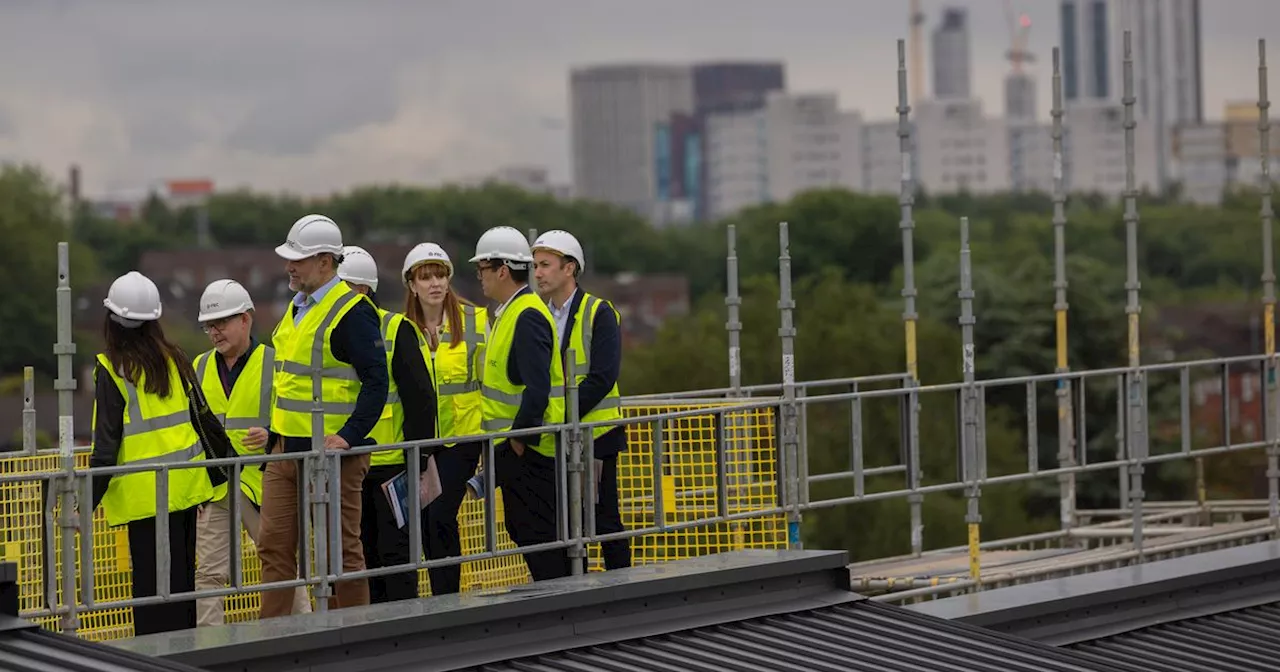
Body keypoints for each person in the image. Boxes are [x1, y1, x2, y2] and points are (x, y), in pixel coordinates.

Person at [258, 214, 388, 618]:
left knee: (340, 553)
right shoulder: (297, 308)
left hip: (334, 456)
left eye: (298, 258)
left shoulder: (352, 310)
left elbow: (376, 381)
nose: (289, 266)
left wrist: (349, 435)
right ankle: (273, 641)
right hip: (285, 453)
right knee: (274, 545)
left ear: (326, 262)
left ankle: (351, 638)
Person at [88, 271, 215, 635]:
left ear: (112, 321)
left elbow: (105, 448)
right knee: (181, 588)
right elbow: (201, 422)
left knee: (150, 595)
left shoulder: (113, 369)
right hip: (187, 491)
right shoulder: (176, 359)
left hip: (146, 500)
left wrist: (83, 501)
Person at [191, 279, 312, 625]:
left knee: (280, 565)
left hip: (262, 484)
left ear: (246, 319)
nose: (214, 332)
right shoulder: (198, 367)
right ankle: (209, 652)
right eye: (209, 326)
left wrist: (272, 432)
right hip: (215, 487)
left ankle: (304, 636)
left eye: (222, 323)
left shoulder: (276, 364)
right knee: (209, 574)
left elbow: (297, 418)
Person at [336, 246, 438, 604]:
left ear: (362, 291)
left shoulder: (395, 330)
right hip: (350, 465)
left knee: (396, 557)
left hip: (393, 467)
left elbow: (421, 400)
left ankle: (402, 630)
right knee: (360, 556)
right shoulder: (332, 332)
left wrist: (420, 459)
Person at [469, 226, 570, 581]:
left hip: (531, 452)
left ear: (501, 270)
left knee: (538, 535)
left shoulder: (525, 315)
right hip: (520, 450)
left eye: (481, 269)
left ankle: (566, 612)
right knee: (526, 531)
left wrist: (517, 443)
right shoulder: (510, 313)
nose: (478, 277)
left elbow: (537, 390)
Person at [531, 230, 631, 571]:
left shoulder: (599, 312)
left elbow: (602, 378)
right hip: (558, 439)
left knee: (602, 520)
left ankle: (622, 590)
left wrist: (561, 416)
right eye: (535, 266)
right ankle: (580, 590)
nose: (538, 273)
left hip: (595, 437)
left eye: (545, 265)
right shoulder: (539, 315)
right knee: (567, 524)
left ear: (569, 268)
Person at [401, 242, 487, 595]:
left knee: (439, 516)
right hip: (422, 445)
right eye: (426, 277)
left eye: (441, 275)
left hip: (463, 441)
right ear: (412, 285)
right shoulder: (402, 330)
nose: (435, 283)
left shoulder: (475, 321)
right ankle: (437, 595)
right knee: (421, 521)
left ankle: (447, 597)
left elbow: (493, 381)